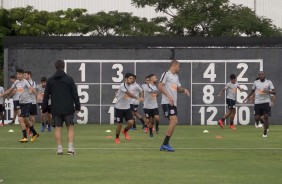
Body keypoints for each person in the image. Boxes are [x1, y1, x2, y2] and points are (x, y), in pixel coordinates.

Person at [42, 60, 81, 155]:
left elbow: (46, 96)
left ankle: (59, 149)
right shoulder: (69, 79)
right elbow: (75, 94)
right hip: (68, 108)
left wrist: (44, 108)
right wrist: (78, 106)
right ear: (63, 66)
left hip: (56, 108)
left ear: (55, 67)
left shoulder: (50, 80)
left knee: (58, 128)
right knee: (70, 127)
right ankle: (70, 149)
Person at [0, 69, 39, 142]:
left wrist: (37, 95)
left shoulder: (25, 82)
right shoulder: (16, 82)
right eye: (17, 74)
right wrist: (2, 95)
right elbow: (10, 90)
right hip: (21, 103)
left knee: (20, 119)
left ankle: (25, 137)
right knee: (26, 119)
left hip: (27, 103)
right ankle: (34, 133)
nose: (18, 75)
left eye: (19, 74)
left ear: (23, 74)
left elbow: (31, 89)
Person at [159, 60, 190, 152]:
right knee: (174, 121)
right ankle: (164, 144)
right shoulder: (166, 74)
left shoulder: (176, 77)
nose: (179, 68)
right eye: (178, 66)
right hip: (167, 102)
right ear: (174, 65)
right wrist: (169, 96)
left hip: (173, 103)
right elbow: (160, 86)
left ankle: (165, 144)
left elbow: (177, 88)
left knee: (173, 122)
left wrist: (184, 90)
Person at [243, 71, 275, 138]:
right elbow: (252, 91)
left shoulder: (269, 82)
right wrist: (247, 98)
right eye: (260, 74)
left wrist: (267, 91)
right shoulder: (256, 83)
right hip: (258, 102)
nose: (261, 75)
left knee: (266, 116)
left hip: (266, 102)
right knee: (257, 117)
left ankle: (265, 132)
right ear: (258, 76)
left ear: (264, 75)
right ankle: (259, 122)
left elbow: (274, 92)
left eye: (262, 74)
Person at [114, 73, 144, 144]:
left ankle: (125, 131)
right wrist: (138, 98)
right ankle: (117, 138)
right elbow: (129, 94)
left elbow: (133, 93)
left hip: (127, 107)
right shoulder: (123, 85)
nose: (132, 80)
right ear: (126, 79)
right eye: (130, 78)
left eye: (132, 79)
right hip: (119, 108)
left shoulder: (131, 86)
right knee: (119, 124)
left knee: (131, 122)